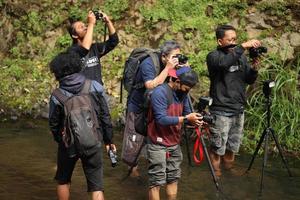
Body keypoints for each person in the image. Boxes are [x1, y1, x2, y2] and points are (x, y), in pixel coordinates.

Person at [48, 51, 116, 200]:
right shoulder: (94, 86)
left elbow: (53, 124)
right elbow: (105, 115)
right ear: (77, 66)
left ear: (57, 72)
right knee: (97, 187)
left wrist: (61, 141)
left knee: (63, 181)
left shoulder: (56, 95)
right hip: (93, 140)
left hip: (68, 145)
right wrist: (108, 140)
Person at [206, 24, 261, 177]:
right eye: (229, 39)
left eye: (235, 39)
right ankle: (216, 174)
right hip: (221, 110)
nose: (233, 42)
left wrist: (254, 68)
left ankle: (229, 170)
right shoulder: (213, 56)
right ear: (219, 41)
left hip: (238, 109)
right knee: (218, 148)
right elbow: (224, 64)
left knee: (232, 146)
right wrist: (243, 46)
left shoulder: (241, 57)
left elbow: (248, 80)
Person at [122, 40, 182, 177]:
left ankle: (154, 168)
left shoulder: (172, 65)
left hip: (154, 107)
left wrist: (183, 68)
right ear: (164, 56)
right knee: (133, 142)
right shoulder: (148, 63)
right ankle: (132, 172)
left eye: (179, 56)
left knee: (152, 142)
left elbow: (179, 83)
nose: (176, 60)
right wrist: (168, 68)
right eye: (174, 57)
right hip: (137, 107)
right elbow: (150, 85)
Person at [147, 67, 203, 200]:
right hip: (157, 142)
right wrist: (185, 119)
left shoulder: (183, 94)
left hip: (174, 143)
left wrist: (196, 121)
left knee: (173, 178)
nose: (187, 91)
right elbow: (161, 119)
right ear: (177, 81)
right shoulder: (159, 93)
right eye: (186, 88)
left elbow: (187, 115)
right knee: (156, 182)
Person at [67, 10, 119, 86]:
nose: (85, 27)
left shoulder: (94, 48)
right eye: (80, 27)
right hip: (83, 93)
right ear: (75, 36)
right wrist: (91, 23)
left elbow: (113, 41)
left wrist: (108, 22)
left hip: (98, 91)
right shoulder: (72, 52)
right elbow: (84, 49)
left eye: (84, 25)